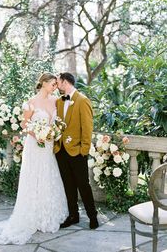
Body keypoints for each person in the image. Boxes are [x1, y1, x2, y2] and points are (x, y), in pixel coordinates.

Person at [0, 72, 68, 245]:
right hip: (35, 145)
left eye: (56, 85)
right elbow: (24, 124)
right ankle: (32, 217)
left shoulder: (54, 101)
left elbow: (56, 122)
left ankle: (46, 215)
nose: (55, 87)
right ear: (44, 83)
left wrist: (52, 133)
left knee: (48, 177)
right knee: (33, 177)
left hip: (48, 145)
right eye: (53, 84)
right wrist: (38, 134)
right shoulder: (30, 103)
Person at [55, 72, 99, 229]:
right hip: (61, 150)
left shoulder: (83, 100)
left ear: (65, 82)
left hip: (78, 152)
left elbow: (87, 128)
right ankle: (73, 215)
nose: (56, 85)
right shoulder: (59, 102)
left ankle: (93, 216)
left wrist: (84, 150)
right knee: (68, 185)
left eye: (58, 82)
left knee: (83, 185)